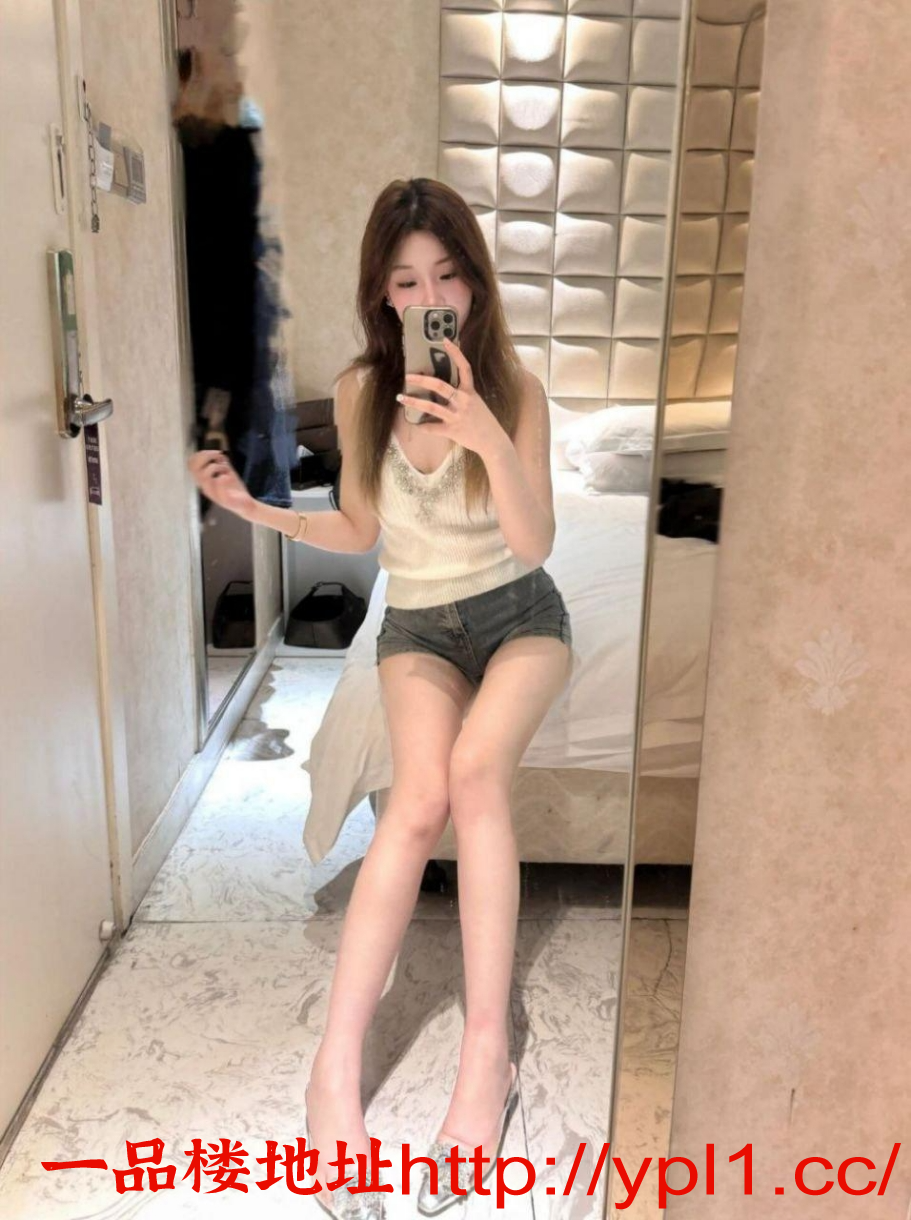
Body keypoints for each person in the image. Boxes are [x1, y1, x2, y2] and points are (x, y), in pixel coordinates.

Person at [188, 177, 574, 1218]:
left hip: (521, 616)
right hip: (418, 627)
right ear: (382, 293)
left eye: (446, 275)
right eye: (406, 281)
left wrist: (486, 434)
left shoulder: (517, 390)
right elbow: (361, 531)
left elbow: (536, 542)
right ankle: (334, 1068)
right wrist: (258, 509)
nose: (429, 296)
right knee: (412, 805)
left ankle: (486, 1053)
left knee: (474, 776)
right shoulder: (363, 392)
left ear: (475, 282)